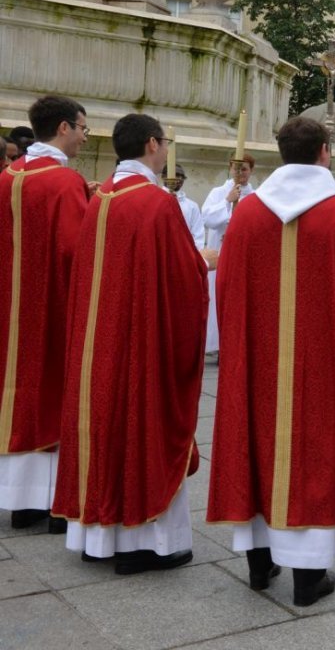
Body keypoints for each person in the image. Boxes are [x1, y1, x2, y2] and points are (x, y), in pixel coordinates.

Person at [207, 117, 335, 606]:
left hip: (259, 364)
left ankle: (258, 561)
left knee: (258, 441)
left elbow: (226, 289)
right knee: (317, 448)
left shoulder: (249, 214)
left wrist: (241, 348)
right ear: (325, 153)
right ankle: (309, 578)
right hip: (322, 366)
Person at [53, 114, 209, 573]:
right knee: (143, 424)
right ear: (151, 145)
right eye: (164, 144)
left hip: (98, 342)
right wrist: (206, 266)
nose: (165, 151)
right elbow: (181, 281)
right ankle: (144, 545)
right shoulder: (157, 204)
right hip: (139, 340)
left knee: (103, 425)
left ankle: (96, 538)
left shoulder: (100, 196)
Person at [0, 96, 91, 533]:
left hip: (11, 305)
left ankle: (20, 501)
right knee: (54, 390)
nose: (84, 137)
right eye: (81, 129)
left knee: (15, 389)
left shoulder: (8, 176)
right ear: (61, 129)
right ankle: (54, 500)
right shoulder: (62, 182)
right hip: (52, 306)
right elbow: (77, 253)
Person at [200, 154, 256, 355]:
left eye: (245, 169)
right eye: (236, 168)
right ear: (230, 168)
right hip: (219, 253)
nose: (240, 173)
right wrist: (227, 201)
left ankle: (235, 344)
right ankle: (216, 344)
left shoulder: (255, 196)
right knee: (217, 296)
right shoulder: (218, 192)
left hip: (244, 255)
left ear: (251, 171)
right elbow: (207, 219)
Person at [165, 164, 205, 250]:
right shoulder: (156, 199)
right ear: (164, 176)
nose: (179, 178)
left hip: (184, 251)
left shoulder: (192, 206)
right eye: (176, 174)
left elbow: (198, 233)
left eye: (182, 176)